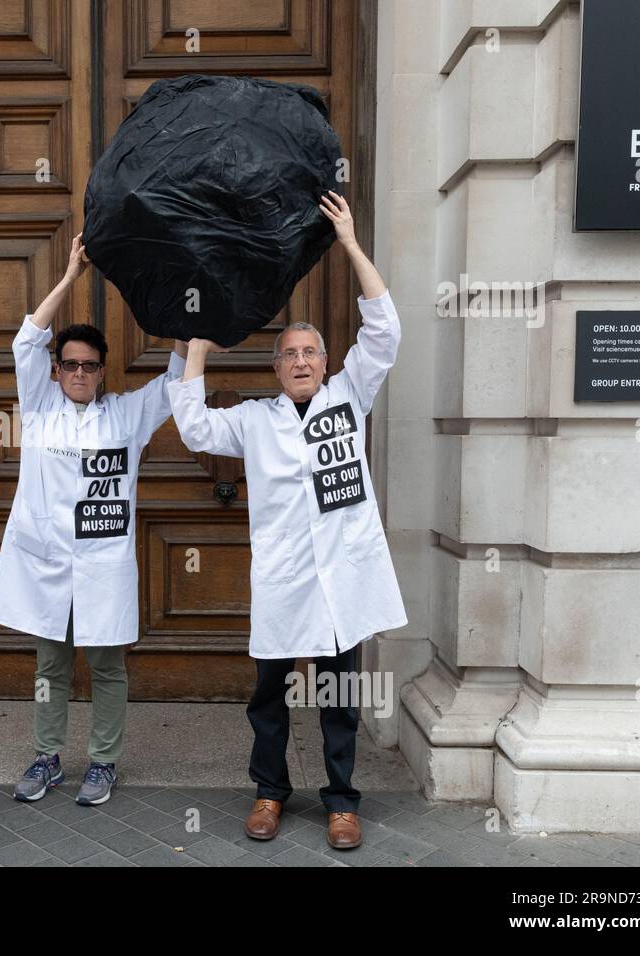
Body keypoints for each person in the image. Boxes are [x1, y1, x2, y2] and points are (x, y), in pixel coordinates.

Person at [167, 192, 406, 850]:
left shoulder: (349, 398)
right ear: (275, 368)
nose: (300, 361)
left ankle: (341, 801)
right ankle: (269, 792)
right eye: (288, 354)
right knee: (268, 696)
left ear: (326, 363)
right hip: (281, 578)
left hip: (339, 579)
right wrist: (198, 346)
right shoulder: (253, 419)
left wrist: (351, 244)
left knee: (337, 694)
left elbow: (385, 332)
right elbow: (192, 423)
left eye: (310, 352)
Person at [0, 234, 188, 806]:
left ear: (102, 373)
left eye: (90, 366)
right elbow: (26, 338)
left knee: (106, 664)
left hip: (101, 565)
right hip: (46, 561)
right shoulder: (41, 407)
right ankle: (47, 756)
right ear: (56, 371)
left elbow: (175, 381)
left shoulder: (125, 417)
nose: (79, 372)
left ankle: (103, 763)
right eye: (70, 364)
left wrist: (184, 306)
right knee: (50, 664)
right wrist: (73, 273)